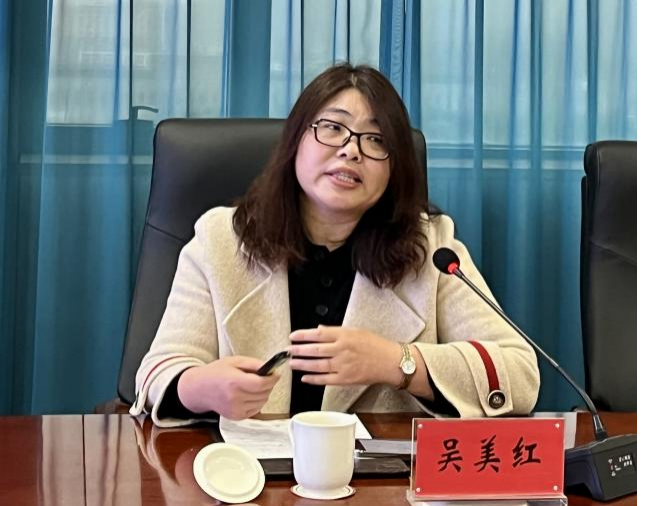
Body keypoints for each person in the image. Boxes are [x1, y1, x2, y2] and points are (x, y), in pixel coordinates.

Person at [130, 63, 540, 427]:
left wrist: (396, 361)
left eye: (376, 140)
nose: (351, 150)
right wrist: (201, 388)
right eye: (332, 128)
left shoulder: (429, 248)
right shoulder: (222, 239)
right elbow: (156, 372)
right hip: (245, 473)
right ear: (295, 141)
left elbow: (519, 373)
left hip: (380, 480)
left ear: (394, 168)